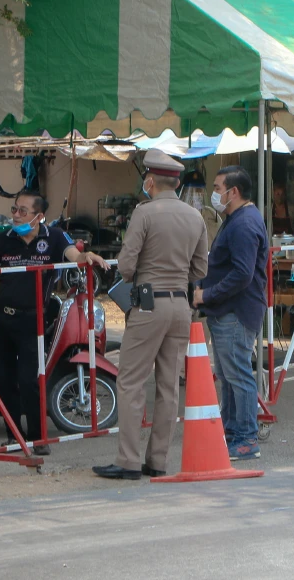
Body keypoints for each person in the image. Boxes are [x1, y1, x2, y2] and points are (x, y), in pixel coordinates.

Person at [94, 150, 207, 480]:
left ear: (151, 180)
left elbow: (126, 267)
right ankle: (158, 461)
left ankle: (128, 460)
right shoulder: (195, 217)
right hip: (180, 307)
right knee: (169, 386)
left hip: (148, 304)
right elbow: (200, 268)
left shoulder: (145, 213)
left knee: (130, 381)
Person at [0, 189, 109, 456]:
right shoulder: (2, 241)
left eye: (23, 211)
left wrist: (84, 257)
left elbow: (71, 254)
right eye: (14, 209)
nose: (16, 215)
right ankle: (13, 436)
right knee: (5, 381)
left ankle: (37, 437)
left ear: (39, 216)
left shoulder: (53, 237)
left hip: (34, 320)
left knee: (30, 379)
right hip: (2, 320)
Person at [195, 165, 269, 461]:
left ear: (233, 192)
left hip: (235, 313)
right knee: (228, 375)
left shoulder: (243, 224)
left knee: (237, 375)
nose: (214, 194)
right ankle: (231, 431)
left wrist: (206, 294)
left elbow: (242, 274)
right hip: (227, 311)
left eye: (217, 188)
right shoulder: (236, 219)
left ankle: (246, 438)